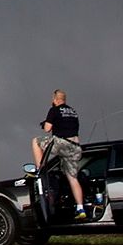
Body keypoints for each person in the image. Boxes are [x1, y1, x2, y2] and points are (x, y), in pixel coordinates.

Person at [30, 89, 87, 220]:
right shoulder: (73, 112)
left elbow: (47, 129)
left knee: (36, 141)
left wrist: (44, 123)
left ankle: (40, 169)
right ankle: (80, 208)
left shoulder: (54, 110)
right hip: (75, 147)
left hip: (62, 143)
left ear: (55, 99)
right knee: (73, 178)